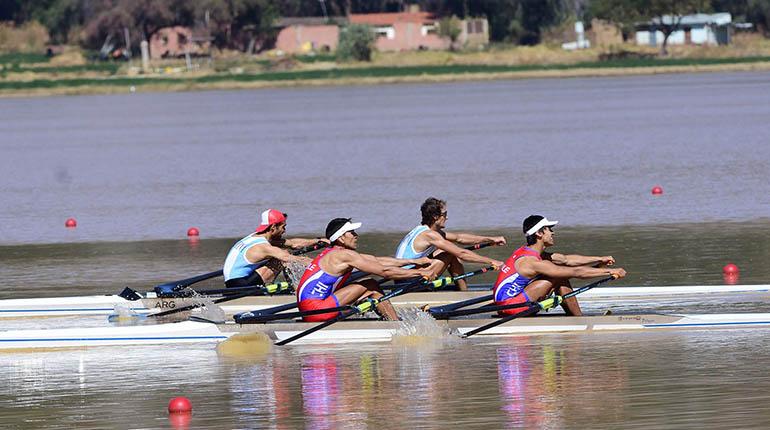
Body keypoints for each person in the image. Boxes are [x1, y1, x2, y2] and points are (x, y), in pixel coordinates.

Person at [296, 218, 437, 322]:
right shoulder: (344, 255)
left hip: (309, 308)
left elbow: (376, 261)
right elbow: (384, 272)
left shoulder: (335, 253)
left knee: (368, 283)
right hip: (316, 310)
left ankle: (389, 319)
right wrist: (420, 272)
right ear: (341, 238)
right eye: (351, 233)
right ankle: (396, 325)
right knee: (370, 286)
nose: (356, 236)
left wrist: (413, 261)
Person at [493, 215, 627, 316]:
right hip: (510, 307)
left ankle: (575, 317)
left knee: (559, 273)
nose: (553, 233)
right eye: (549, 229)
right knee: (560, 277)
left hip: (507, 304)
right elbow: (575, 272)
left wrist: (600, 259)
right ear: (539, 233)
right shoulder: (531, 262)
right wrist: (610, 271)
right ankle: (579, 319)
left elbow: (566, 260)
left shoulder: (528, 251)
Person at [395, 197, 505, 290]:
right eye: (444, 214)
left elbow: (459, 238)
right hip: (407, 281)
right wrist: (492, 261)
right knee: (450, 252)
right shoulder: (429, 235)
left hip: (404, 277)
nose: (447, 217)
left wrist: (490, 239)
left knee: (444, 250)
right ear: (435, 217)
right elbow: (462, 253)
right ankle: (464, 293)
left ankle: (463, 290)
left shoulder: (424, 231)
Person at [223, 209, 327, 288]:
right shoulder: (263, 247)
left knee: (283, 253)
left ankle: (289, 287)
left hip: (234, 281)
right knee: (281, 258)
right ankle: (295, 289)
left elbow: (293, 244)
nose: (284, 231)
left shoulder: (256, 237)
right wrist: (327, 267)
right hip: (239, 286)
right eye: (283, 227)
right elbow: (295, 259)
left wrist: (319, 240)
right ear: (273, 228)